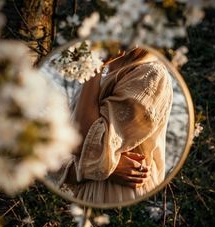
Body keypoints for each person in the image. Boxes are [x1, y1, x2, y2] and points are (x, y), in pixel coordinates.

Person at [56, 47, 173, 204]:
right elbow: (61, 151)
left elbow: (83, 142)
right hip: (82, 198)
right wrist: (107, 167)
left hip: (120, 198)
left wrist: (94, 67)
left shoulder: (150, 74)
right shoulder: (96, 77)